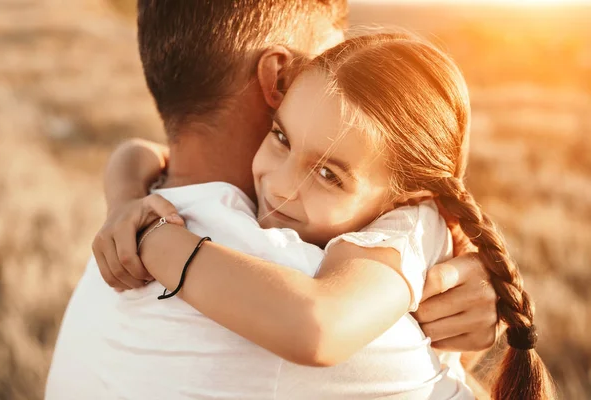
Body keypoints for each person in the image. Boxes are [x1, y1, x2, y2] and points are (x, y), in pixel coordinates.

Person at [45, 2, 498, 399]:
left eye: (328, 173)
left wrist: (126, 204)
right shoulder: (294, 281)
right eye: (328, 59)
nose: (337, 81)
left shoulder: (139, 212)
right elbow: (323, 330)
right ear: (279, 77)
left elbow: (138, 151)